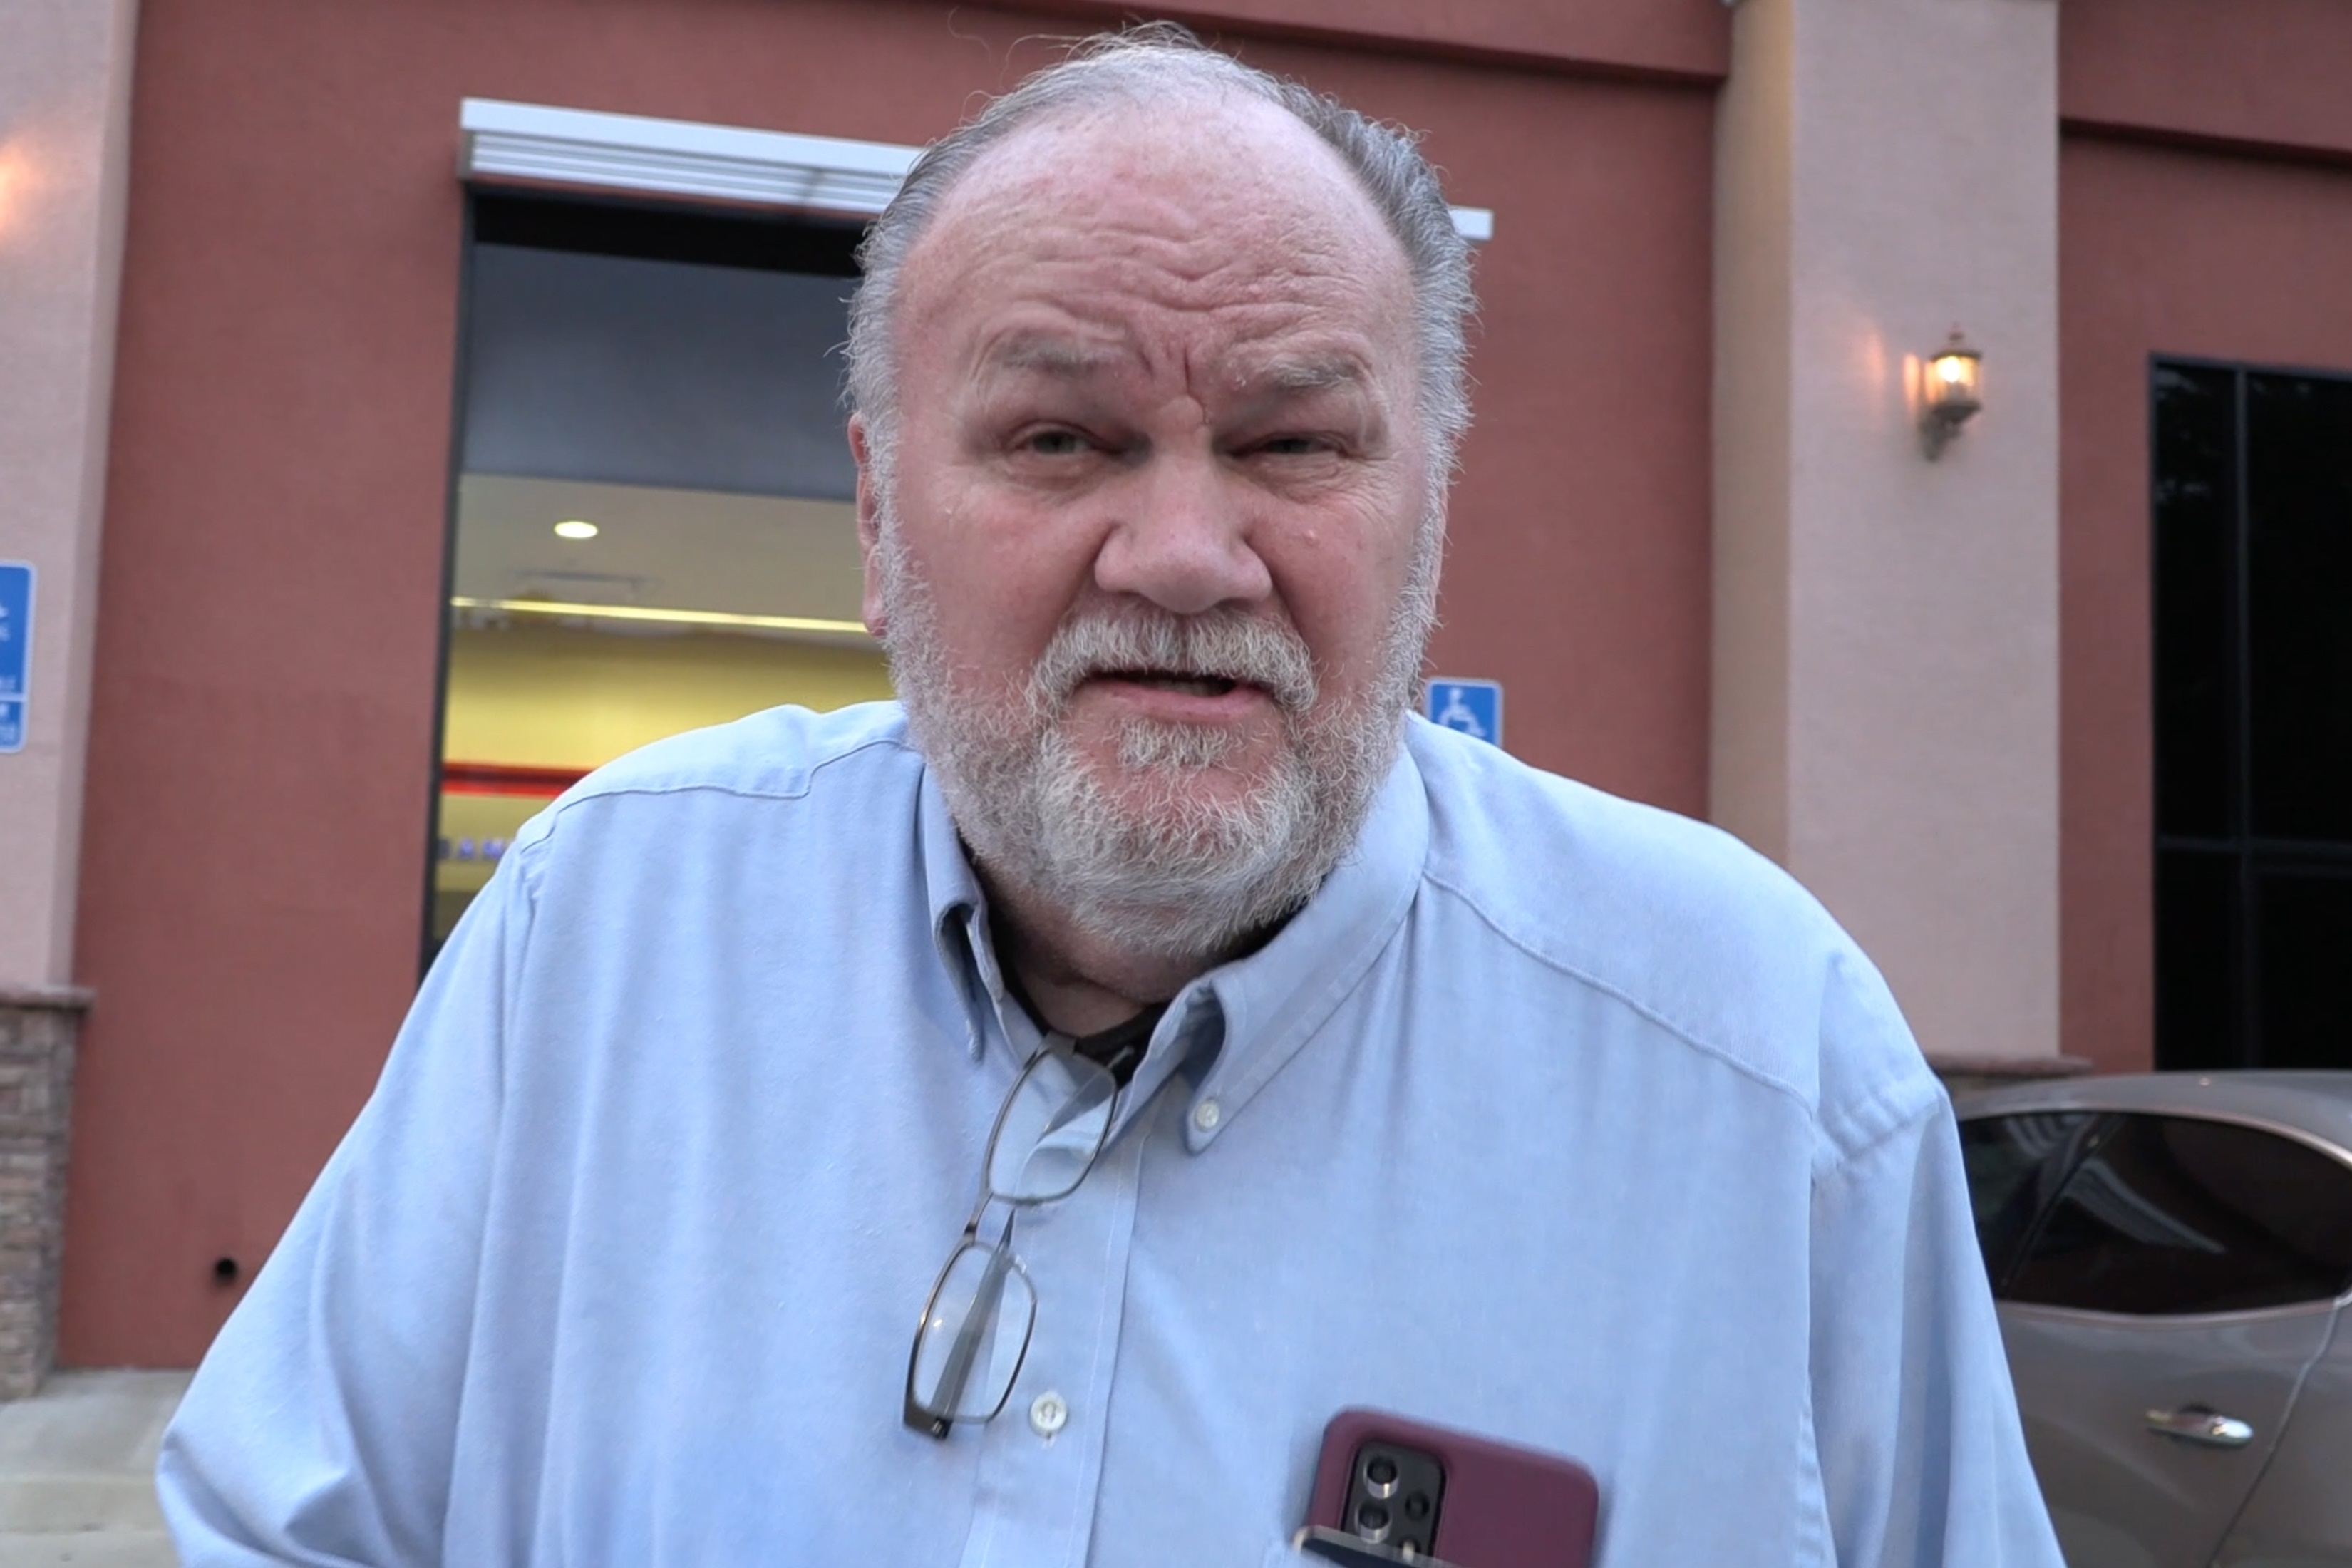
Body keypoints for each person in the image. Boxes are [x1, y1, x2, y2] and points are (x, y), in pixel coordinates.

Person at [159, 29, 2063, 1568]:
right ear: (877, 516)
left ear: (1428, 510)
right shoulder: (607, 923)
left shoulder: (1762, 1073)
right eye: (1060, 437)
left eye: (1291, 442)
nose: (1181, 556)